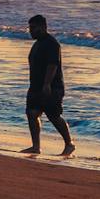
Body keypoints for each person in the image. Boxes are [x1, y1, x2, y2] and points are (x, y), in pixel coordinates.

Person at [21, 15, 75, 157]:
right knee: (31, 113)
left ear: (43, 27)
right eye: (30, 28)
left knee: (54, 116)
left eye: (33, 28)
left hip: (52, 87)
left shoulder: (52, 44)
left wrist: (47, 84)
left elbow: (53, 65)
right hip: (35, 86)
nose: (30, 31)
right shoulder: (37, 43)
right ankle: (36, 146)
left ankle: (69, 144)